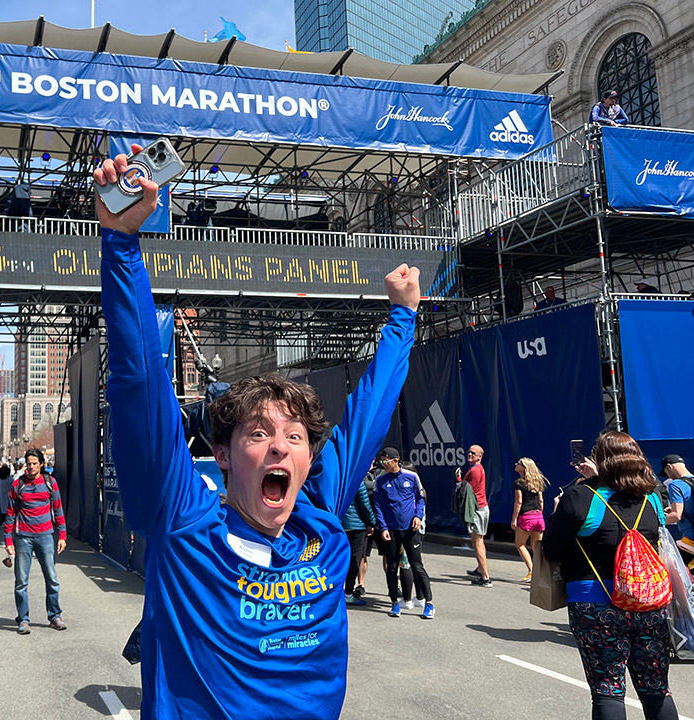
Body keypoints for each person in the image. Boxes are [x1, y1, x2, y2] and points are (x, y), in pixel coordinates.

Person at [94, 146, 418, 719]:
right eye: (259, 433)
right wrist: (121, 247)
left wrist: (402, 317)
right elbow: (139, 382)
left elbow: (368, 418)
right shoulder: (185, 522)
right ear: (220, 453)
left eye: (295, 436)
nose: (280, 445)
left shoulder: (318, 517)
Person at [542, 432, 678, 720]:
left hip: (594, 603)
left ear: (601, 461)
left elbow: (552, 549)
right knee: (656, 687)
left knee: (608, 689)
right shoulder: (651, 499)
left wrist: (557, 513)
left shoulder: (579, 498)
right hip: (647, 601)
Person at [4, 448, 67, 634]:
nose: (30, 467)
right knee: (21, 582)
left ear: (41, 464)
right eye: (28, 464)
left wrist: (62, 535)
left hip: (46, 536)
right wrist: (8, 540)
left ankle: (54, 616)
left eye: (34, 463)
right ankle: (23, 620)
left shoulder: (50, 483)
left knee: (52, 579)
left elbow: (58, 509)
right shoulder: (18, 485)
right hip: (23, 538)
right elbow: (10, 514)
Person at [373, 448, 434, 619]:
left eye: (386, 461)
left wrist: (418, 516)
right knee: (392, 567)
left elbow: (421, 498)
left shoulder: (411, 476)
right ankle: (394, 603)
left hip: (410, 529)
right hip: (391, 530)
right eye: (381, 461)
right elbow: (378, 506)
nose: (383, 464)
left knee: (417, 565)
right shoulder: (381, 480)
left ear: (396, 460)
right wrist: (383, 528)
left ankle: (428, 603)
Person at [457, 444, 492, 587]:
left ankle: (485, 578)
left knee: (477, 543)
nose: (470, 454)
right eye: (469, 452)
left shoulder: (475, 471)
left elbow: (467, 491)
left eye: (473, 453)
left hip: (477, 509)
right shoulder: (478, 469)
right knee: (479, 540)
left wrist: (459, 480)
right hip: (482, 508)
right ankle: (480, 569)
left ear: (480, 456)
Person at [340, 468, 376, 607]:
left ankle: (335, 592)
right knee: (355, 559)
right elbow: (365, 504)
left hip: (338, 524)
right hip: (356, 526)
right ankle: (348, 593)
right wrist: (371, 522)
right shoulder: (357, 480)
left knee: (338, 558)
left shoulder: (338, 479)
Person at [510, 457, 547, 583]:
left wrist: (514, 519)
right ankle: (539, 572)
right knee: (536, 547)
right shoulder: (537, 482)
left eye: (519, 463)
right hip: (538, 516)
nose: (516, 464)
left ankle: (531, 571)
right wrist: (540, 513)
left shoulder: (519, 483)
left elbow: (518, 501)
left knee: (520, 544)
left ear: (524, 468)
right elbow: (541, 501)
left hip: (526, 516)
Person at [661, 453, 694, 569]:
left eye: (666, 473)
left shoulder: (675, 485)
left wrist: (656, 521)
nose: (668, 476)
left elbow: (676, 516)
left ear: (669, 467)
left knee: (674, 572)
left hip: (689, 541)